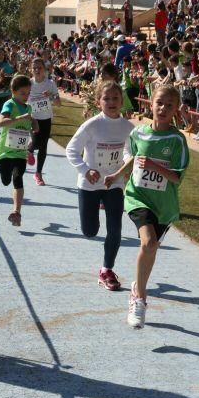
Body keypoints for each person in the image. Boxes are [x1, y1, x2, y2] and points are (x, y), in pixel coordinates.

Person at [103, 86, 189, 329]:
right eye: (159, 103)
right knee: (149, 242)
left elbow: (176, 177)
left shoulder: (177, 140)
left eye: (169, 106)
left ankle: (138, 286)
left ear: (175, 110)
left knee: (151, 248)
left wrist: (154, 166)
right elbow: (134, 159)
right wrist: (116, 175)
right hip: (137, 196)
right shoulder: (138, 133)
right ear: (151, 103)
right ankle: (138, 298)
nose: (163, 109)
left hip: (164, 204)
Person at [65, 81, 134, 290]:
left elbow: (129, 152)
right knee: (90, 231)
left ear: (122, 101)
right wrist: (86, 170)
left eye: (115, 98)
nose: (111, 102)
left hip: (114, 184)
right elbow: (71, 150)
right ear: (98, 102)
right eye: (107, 98)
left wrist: (123, 169)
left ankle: (106, 269)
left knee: (115, 228)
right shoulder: (92, 125)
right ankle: (94, 217)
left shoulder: (128, 128)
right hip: (90, 185)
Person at [0, 75, 37, 227]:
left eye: (28, 93)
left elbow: (30, 125)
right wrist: (20, 118)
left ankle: (16, 212)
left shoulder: (28, 108)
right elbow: (1, 122)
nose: (26, 97)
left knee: (18, 177)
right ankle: (10, 174)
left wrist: (33, 127)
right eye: (22, 93)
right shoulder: (10, 104)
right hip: (5, 152)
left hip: (20, 152)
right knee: (6, 181)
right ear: (13, 92)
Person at [26, 58, 61, 185]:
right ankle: (28, 150)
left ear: (45, 70)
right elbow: (21, 99)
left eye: (39, 68)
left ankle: (38, 174)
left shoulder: (50, 84)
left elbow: (58, 103)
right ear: (31, 69)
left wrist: (50, 96)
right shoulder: (28, 83)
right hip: (33, 118)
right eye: (34, 68)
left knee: (43, 147)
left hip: (46, 118)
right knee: (36, 142)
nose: (37, 70)